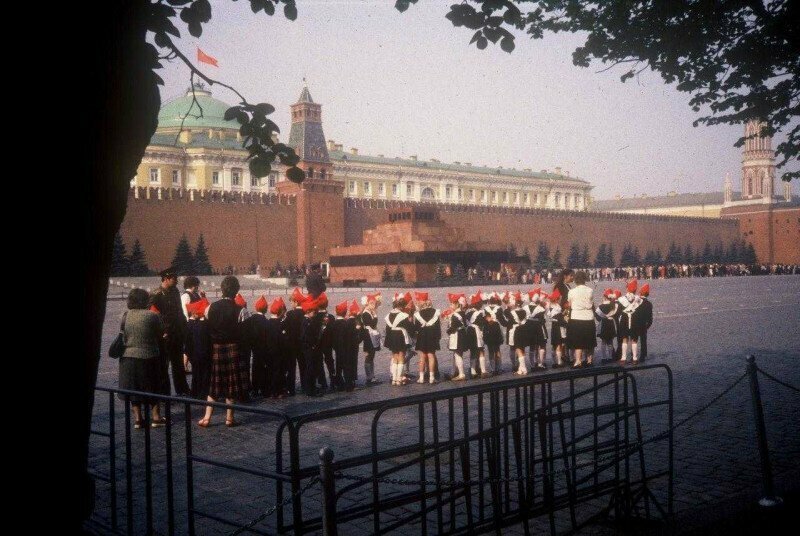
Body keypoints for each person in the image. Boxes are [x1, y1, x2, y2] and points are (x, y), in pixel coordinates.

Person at [198, 276, 248, 428]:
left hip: (217, 349)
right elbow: (246, 335)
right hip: (234, 348)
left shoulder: (210, 308)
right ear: (236, 291)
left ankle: (206, 418)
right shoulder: (242, 310)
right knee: (231, 385)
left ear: (222, 289)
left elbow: (205, 330)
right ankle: (229, 418)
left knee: (215, 384)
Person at [119, 288, 166, 429]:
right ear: (145, 300)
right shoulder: (152, 316)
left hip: (128, 358)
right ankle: (156, 417)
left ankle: (138, 419)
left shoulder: (125, 315)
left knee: (134, 389)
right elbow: (160, 333)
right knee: (153, 386)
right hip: (149, 356)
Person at [150, 268, 190, 396]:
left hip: (177, 333)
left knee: (178, 363)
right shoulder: (156, 294)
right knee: (163, 366)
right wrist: (161, 331)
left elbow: (179, 312)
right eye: (174, 278)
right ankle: (164, 393)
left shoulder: (175, 291)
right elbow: (153, 315)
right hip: (165, 335)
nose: (177, 281)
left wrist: (184, 328)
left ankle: (182, 389)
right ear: (166, 278)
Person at [300, 293, 329, 396]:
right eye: (314, 312)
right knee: (310, 369)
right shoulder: (306, 322)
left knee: (312, 369)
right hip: (309, 349)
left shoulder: (308, 320)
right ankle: (310, 390)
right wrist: (311, 345)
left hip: (310, 348)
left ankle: (312, 387)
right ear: (309, 311)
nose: (315, 313)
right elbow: (305, 337)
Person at [566, 270, 596, 368]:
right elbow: (592, 304)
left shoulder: (571, 291)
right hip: (588, 317)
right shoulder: (590, 290)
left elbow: (569, 305)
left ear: (575, 280)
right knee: (589, 340)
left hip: (576, 317)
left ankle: (578, 361)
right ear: (585, 279)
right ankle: (589, 360)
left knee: (577, 341)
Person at [242, 295, 270, 398]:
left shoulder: (251, 319)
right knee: (263, 369)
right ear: (266, 309)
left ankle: (254, 388)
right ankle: (264, 388)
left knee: (255, 367)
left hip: (253, 347)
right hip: (263, 348)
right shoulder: (266, 322)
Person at [385, 295, 416, 386]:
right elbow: (410, 328)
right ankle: (399, 379)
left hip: (392, 337)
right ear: (403, 306)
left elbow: (387, 329)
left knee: (395, 357)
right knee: (401, 356)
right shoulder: (403, 315)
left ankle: (394, 379)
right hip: (401, 337)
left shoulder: (389, 315)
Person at [184, 298, 211, 400]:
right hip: (205, 354)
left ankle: (195, 392)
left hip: (195, 355)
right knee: (205, 375)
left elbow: (188, 342)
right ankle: (204, 393)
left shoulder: (190, 325)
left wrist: (188, 355)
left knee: (196, 375)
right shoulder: (206, 325)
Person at [413, 292, 441, 384]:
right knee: (431, 356)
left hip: (422, 337)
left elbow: (416, 328)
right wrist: (438, 337)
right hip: (432, 337)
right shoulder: (435, 312)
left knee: (422, 357)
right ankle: (431, 378)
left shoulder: (418, 314)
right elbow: (438, 327)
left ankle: (421, 378)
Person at [284, 287, 307, 395]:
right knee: (303, 366)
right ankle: (305, 386)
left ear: (296, 301)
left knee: (291, 367)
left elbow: (285, 328)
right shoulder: (305, 313)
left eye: (291, 302)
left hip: (291, 345)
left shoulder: (289, 314)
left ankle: (291, 388)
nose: (291, 304)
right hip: (302, 344)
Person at [268, 297, 289, 398]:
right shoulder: (280, 325)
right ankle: (279, 391)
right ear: (280, 312)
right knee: (279, 372)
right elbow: (283, 341)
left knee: (271, 372)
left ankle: (271, 390)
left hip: (269, 352)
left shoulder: (267, 323)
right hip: (279, 353)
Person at [617, 280, 642, 364]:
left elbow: (619, 311)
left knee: (624, 339)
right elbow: (639, 311)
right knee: (634, 339)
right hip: (634, 319)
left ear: (627, 289)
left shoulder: (621, 299)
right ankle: (634, 358)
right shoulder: (638, 299)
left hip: (624, 319)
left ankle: (623, 358)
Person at [466, 293, 490, 378]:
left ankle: (473, 371)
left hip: (469, 332)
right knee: (481, 351)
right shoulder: (481, 313)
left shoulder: (468, 312)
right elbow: (484, 323)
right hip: (477, 332)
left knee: (472, 351)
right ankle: (483, 371)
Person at [446, 294, 469, 381]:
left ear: (456, 305)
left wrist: (448, 331)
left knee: (457, 354)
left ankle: (461, 374)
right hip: (462, 334)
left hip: (457, 335)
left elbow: (452, 327)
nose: (450, 306)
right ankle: (456, 372)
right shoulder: (462, 313)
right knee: (458, 354)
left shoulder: (455, 315)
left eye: (452, 304)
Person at [360, 293, 381, 384]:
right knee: (369, 356)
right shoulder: (366, 313)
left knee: (371, 356)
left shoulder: (369, 312)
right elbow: (372, 324)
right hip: (368, 336)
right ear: (368, 303)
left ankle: (372, 375)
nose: (374, 305)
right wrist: (375, 315)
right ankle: (369, 377)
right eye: (372, 304)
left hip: (370, 335)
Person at [594, 289, 619, 364]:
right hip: (611, 324)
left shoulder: (600, 306)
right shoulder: (614, 305)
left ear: (604, 297)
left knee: (603, 342)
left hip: (603, 324)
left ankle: (603, 358)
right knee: (610, 342)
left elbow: (597, 317)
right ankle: (611, 357)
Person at [483, 292, 505, 374]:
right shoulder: (499, 308)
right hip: (496, 329)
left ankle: (492, 368)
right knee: (497, 349)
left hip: (488, 330)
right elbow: (502, 321)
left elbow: (484, 321)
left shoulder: (485, 309)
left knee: (490, 350)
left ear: (489, 301)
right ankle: (499, 367)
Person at [546, 289, 566, 367]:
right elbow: (559, 319)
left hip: (554, 327)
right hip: (559, 328)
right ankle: (559, 362)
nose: (561, 298)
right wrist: (566, 323)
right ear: (557, 299)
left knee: (555, 345)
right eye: (559, 297)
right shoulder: (557, 308)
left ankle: (555, 361)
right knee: (558, 345)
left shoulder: (551, 307)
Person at [634, 284, 653, 362]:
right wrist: (648, 325)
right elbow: (650, 317)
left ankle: (633, 354)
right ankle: (643, 355)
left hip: (635, 323)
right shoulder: (649, 304)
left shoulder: (636, 302)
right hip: (643, 324)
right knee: (643, 340)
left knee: (634, 339)